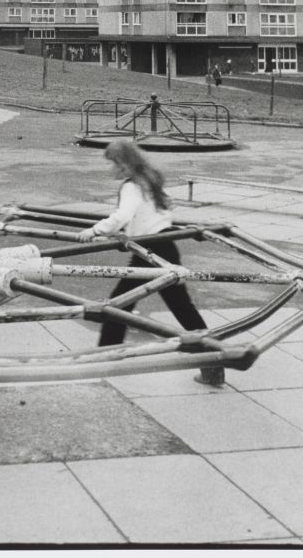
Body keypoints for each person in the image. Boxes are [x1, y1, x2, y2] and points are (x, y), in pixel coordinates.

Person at [78, 139, 225, 386]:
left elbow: (123, 214)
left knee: (117, 306)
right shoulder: (149, 179)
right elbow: (157, 214)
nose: (110, 169)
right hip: (164, 248)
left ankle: (104, 361)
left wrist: (94, 230)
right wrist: (128, 232)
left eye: (113, 164)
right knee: (181, 308)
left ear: (124, 164)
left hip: (149, 253)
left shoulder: (131, 185)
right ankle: (214, 362)